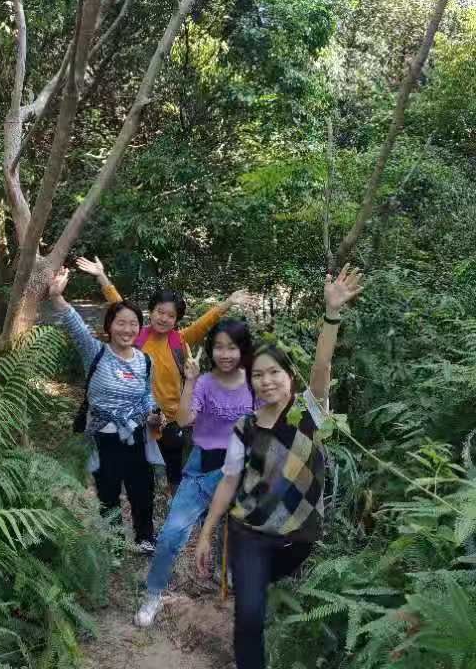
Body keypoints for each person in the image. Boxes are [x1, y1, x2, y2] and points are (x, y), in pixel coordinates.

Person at [195, 265, 363, 669]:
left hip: (298, 536)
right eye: (258, 375)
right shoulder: (245, 426)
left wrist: (332, 314)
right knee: (249, 616)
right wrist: (205, 533)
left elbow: (322, 369)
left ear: (290, 376)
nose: (267, 381)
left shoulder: (309, 415)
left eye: (275, 373)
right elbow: (229, 482)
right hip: (249, 531)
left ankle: (253, 580)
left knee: (263, 585)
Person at [76, 256, 247, 494]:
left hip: (172, 416)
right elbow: (118, 304)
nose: (163, 318)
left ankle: (173, 494)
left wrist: (228, 302)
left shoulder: (179, 340)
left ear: (176, 320)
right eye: (160, 312)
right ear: (151, 311)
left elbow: (205, 322)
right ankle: (139, 492)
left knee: (174, 461)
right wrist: (102, 276)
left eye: (170, 315)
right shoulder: (137, 335)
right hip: (138, 415)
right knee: (138, 461)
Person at [134, 319, 255, 627]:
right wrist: (190, 381)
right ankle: (153, 594)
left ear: (243, 349)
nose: (225, 354)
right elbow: (184, 419)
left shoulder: (255, 383)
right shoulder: (204, 383)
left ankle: (230, 577)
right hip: (204, 467)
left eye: (232, 347)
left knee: (241, 531)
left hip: (244, 469)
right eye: (219, 347)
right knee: (172, 533)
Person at [49, 267, 164, 555]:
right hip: (104, 436)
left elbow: (147, 394)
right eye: (121, 323)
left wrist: (154, 413)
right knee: (108, 492)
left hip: (136, 435)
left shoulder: (145, 361)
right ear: (109, 326)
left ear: (139, 328)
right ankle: (114, 544)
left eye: (133, 324)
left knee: (142, 490)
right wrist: (56, 296)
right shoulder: (95, 352)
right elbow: (74, 324)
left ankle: (145, 537)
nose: (127, 329)